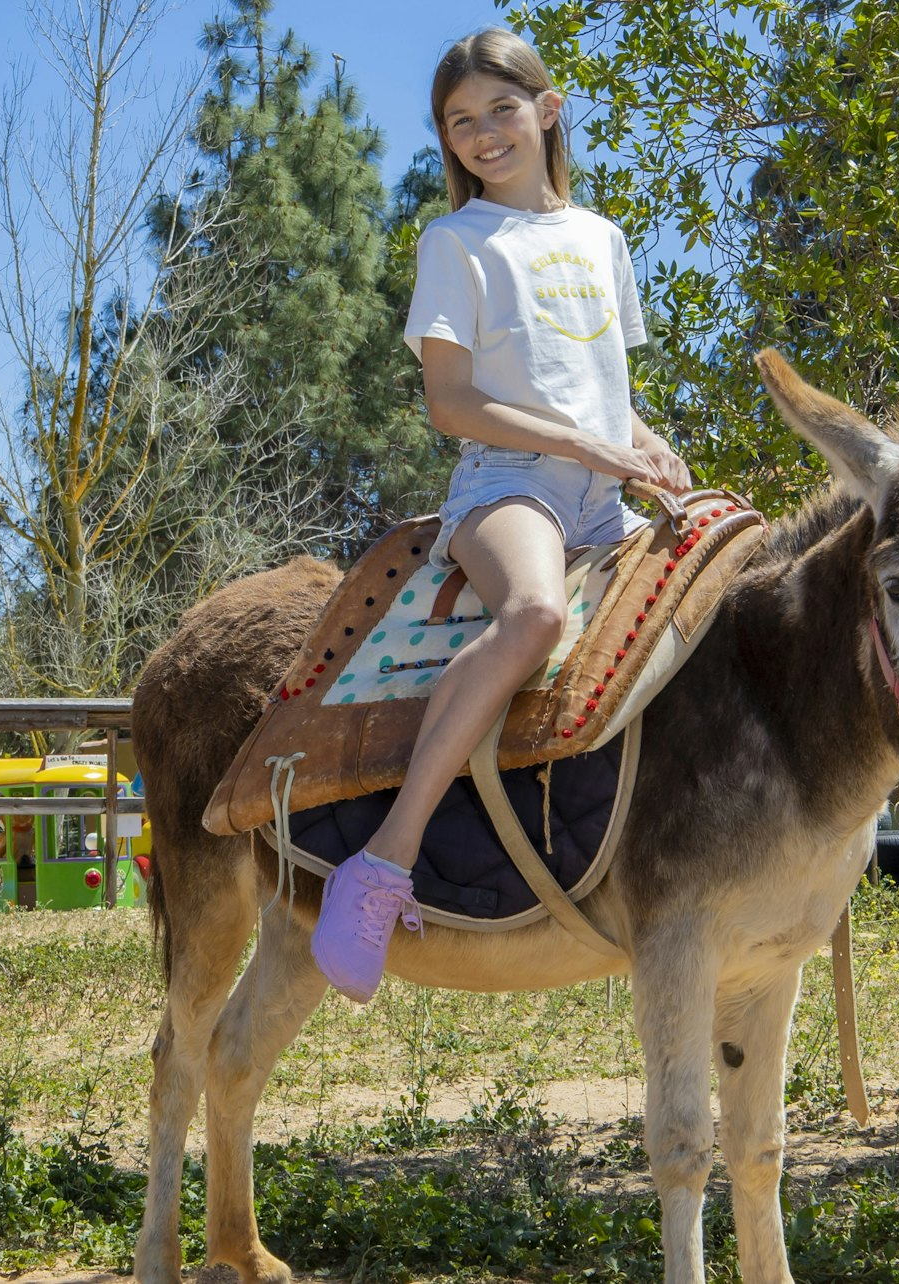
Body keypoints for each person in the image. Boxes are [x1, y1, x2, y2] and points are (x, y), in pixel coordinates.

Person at [310, 27, 691, 1003]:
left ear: (548, 108)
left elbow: (603, 386)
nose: (484, 134)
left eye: (501, 110)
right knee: (535, 616)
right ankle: (383, 865)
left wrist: (646, 450)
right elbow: (452, 402)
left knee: (716, 601)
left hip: (603, 494)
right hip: (506, 488)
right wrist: (590, 445)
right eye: (461, 122)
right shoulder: (456, 241)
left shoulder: (602, 238)